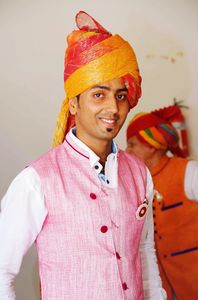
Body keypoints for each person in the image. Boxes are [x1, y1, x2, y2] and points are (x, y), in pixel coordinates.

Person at [0, 11, 166, 300]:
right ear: (73, 104)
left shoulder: (140, 173)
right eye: (98, 95)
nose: (113, 108)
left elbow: (143, 251)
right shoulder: (37, 181)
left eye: (121, 95)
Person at [126, 104, 198, 300]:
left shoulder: (188, 171)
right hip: (163, 289)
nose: (127, 150)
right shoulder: (136, 184)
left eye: (133, 144)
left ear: (151, 144)